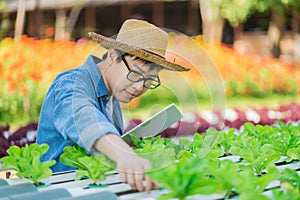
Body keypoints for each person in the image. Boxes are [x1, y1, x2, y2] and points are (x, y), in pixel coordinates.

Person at [36, 19, 189, 193]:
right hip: (59, 193)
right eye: (136, 74)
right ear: (112, 55)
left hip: (89, 190)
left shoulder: (112, 94)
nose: (139, 87)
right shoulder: (71, 83)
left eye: (149, 80)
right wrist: (123, 154)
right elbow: (82, 116)